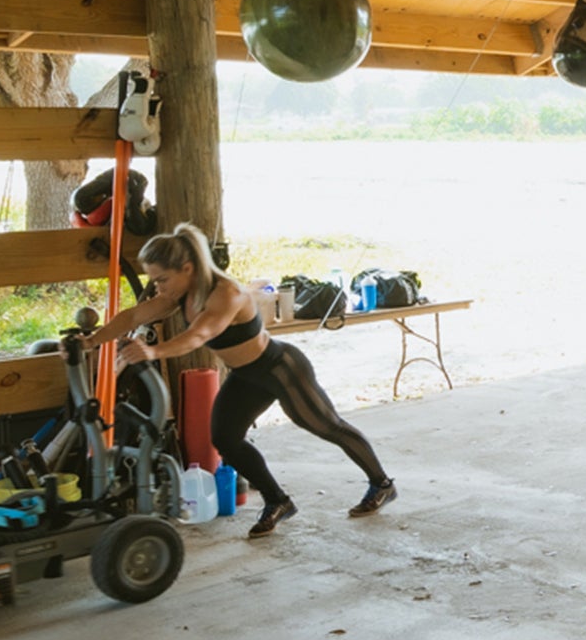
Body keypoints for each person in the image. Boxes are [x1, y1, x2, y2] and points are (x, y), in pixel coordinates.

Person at [83, 224, 395, 538]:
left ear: (187, 268)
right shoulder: (179, 294)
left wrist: (152, 351)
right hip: (246, 376)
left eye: (162, 279)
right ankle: (277, 501)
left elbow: (199, 335)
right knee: (225, 439)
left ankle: (381, 484)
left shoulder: (226, 293)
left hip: (279, 367)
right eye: (155, 280)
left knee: (327, 426)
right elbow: (132, 316)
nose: (158, 288)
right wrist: (92, 340)